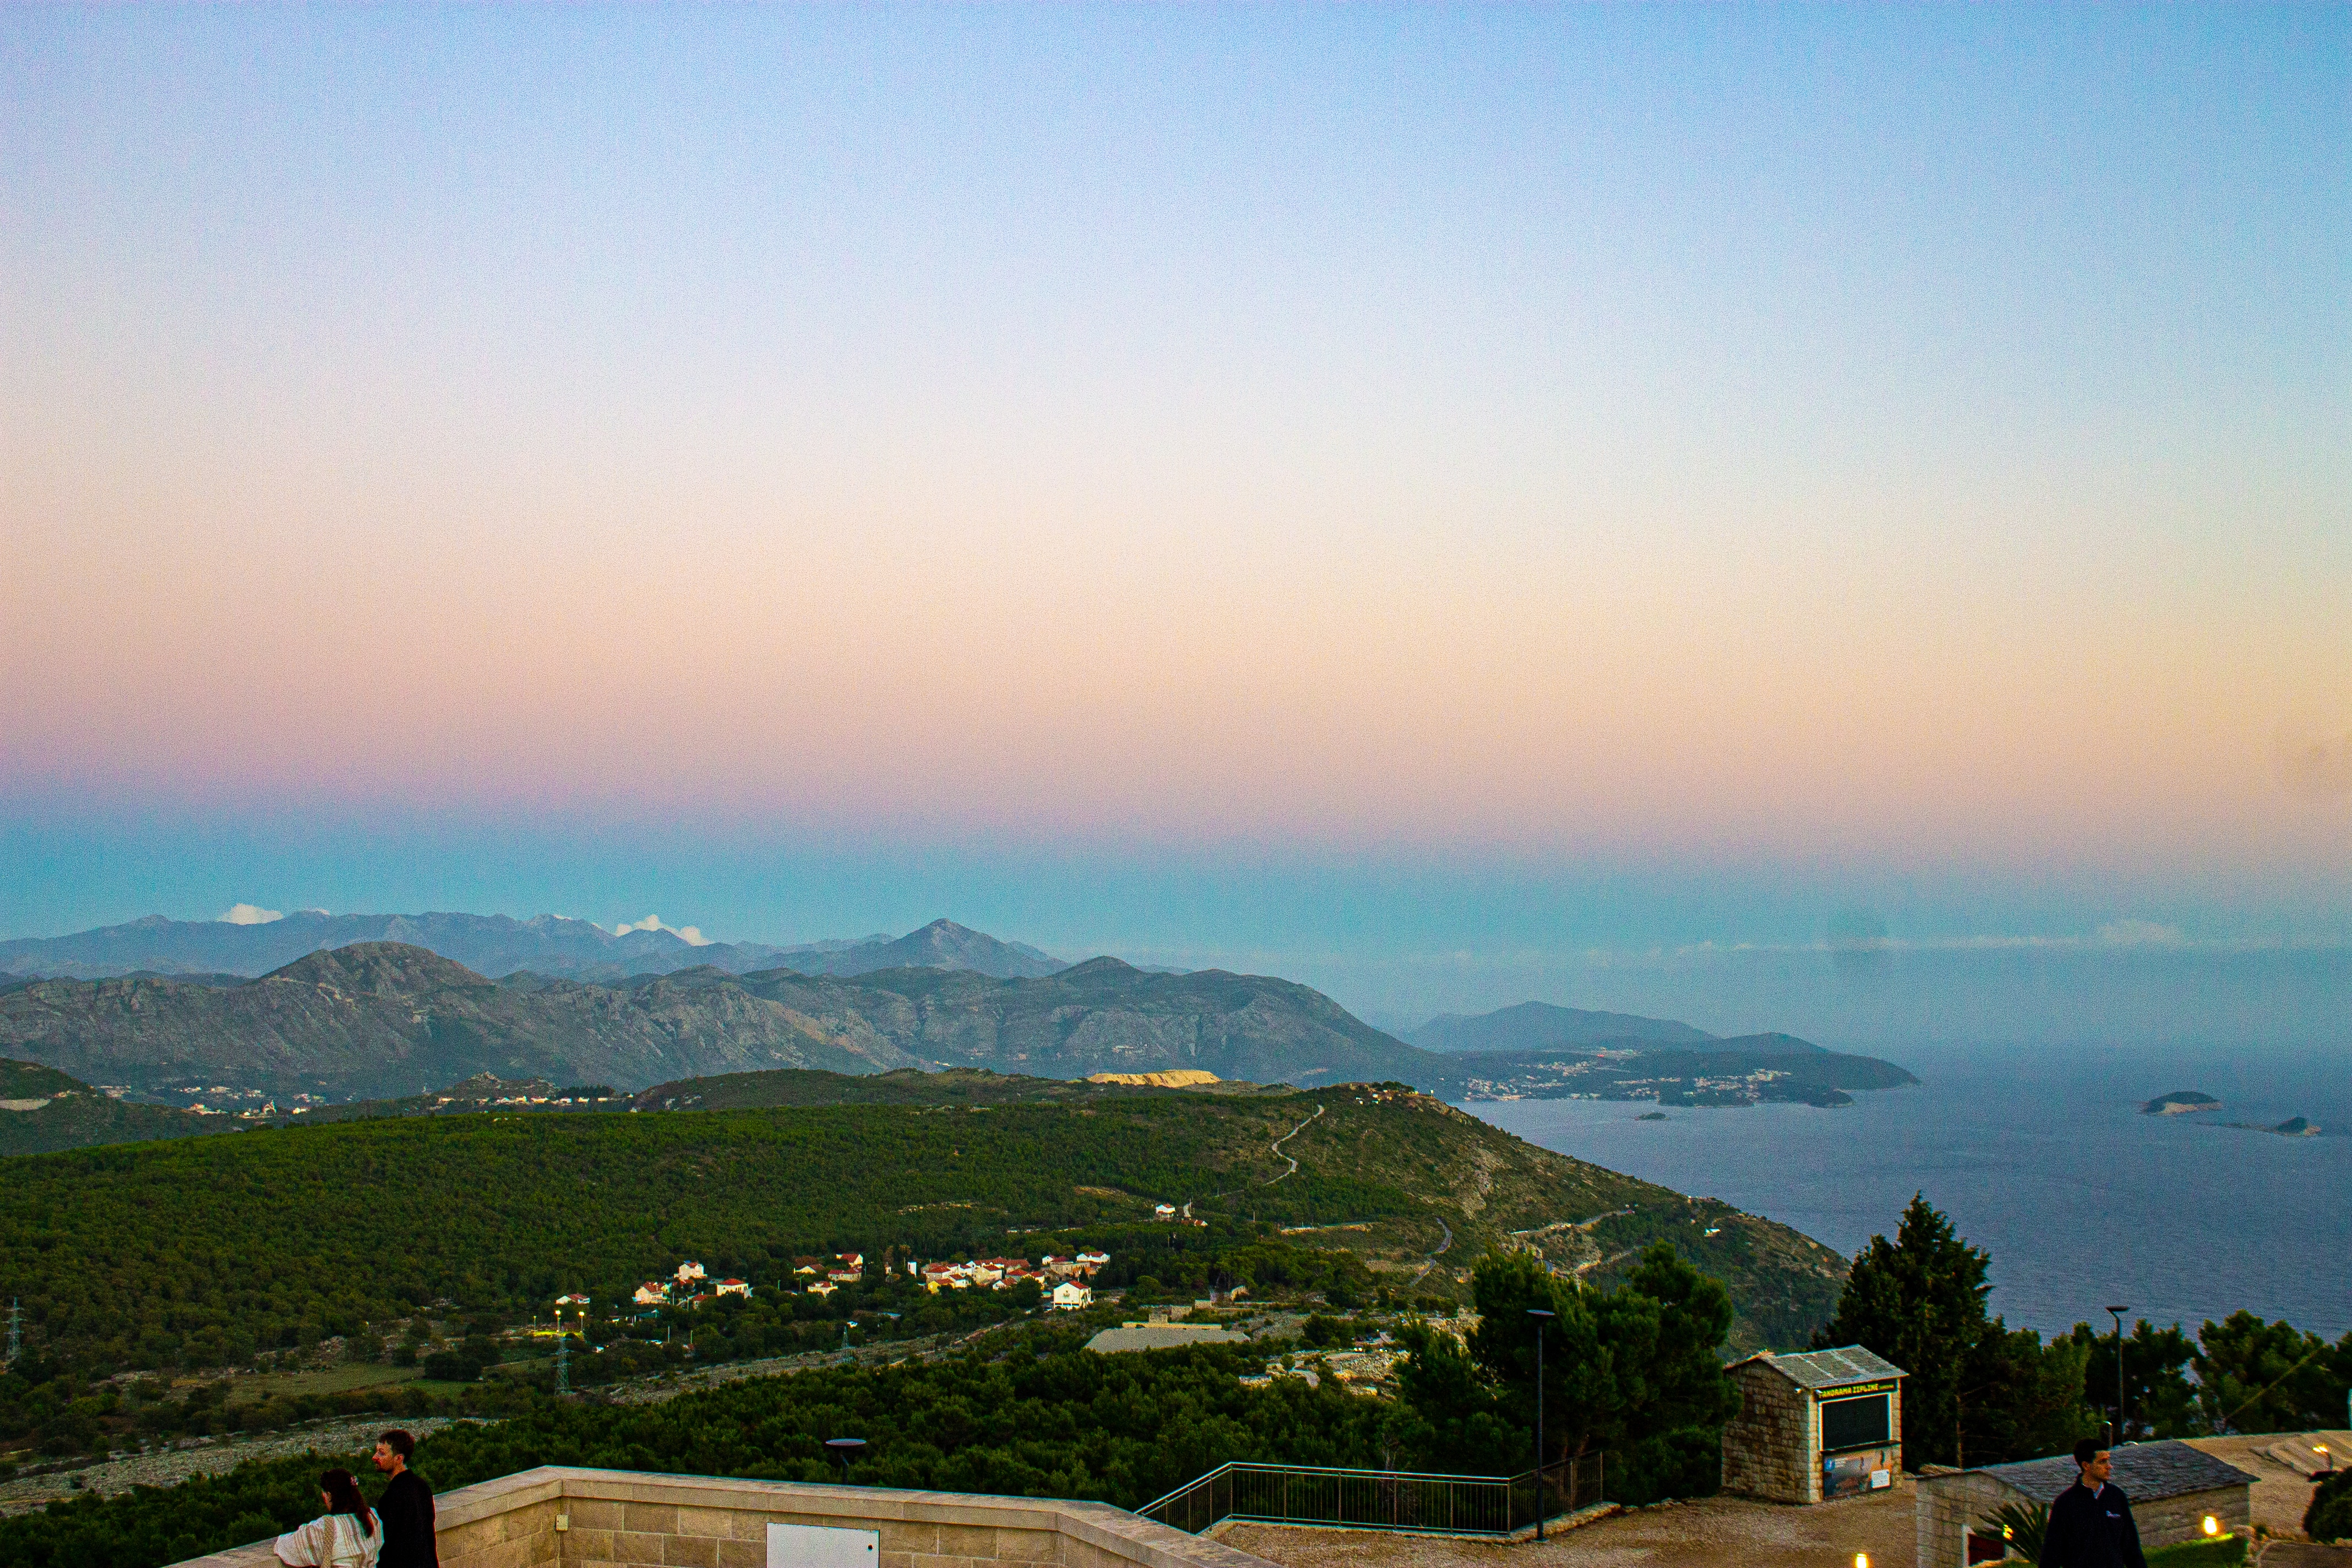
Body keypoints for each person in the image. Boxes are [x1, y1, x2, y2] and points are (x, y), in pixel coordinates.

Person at [2043, 1438, 2148, 1568]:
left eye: (2109, 1460)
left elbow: (2132, 1548)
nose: (2109, 1466)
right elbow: (2051, 1554)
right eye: (2103, 1462)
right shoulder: (2065, 1503)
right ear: (2086, 1465)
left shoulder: (2116, 1497)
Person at [274, 1468, 381, 1568]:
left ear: (329, 1496)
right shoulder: (372, 1516)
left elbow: (287, 1547)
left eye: (324, 1496)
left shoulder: (327, 1527)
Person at [372, 1428, 439, 1568]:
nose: (375, 1457)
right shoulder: (422, 1486)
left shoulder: (392, 1496)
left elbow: (387, 1544)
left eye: (381, 1453)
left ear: (399, 1458)